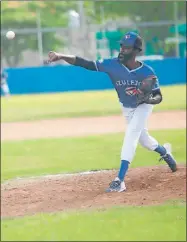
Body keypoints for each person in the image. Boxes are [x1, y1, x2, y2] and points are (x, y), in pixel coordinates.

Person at [46, 31, 177, 193]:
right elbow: (85, 63)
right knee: (144, 140)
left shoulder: (147, 72)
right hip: (127, 107)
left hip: (143, 106)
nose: (122, 50)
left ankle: (119, 180)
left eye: (127, 48)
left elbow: (158, 97)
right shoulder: (112, 64)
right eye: (121, 46)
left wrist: (145, 98)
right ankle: (165, 152)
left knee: (131, 134)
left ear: (136, 51)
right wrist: (61, 56)